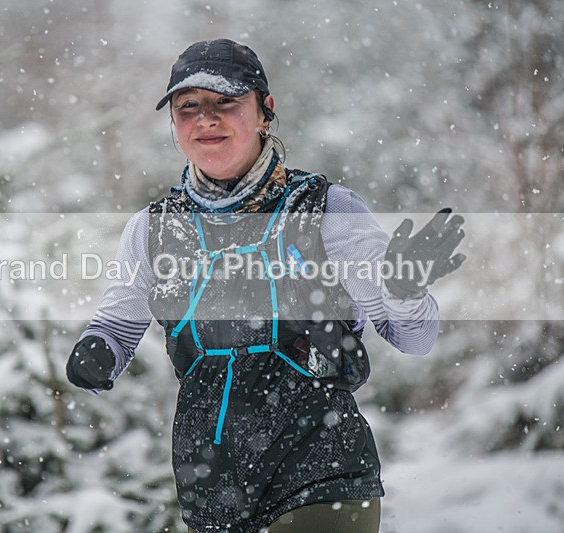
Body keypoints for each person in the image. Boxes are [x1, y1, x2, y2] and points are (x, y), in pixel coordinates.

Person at [66, 38, 465, 533]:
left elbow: (414, 337)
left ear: (264, 112)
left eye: (225, 103)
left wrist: (404, 293)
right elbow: (117, 325)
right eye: (188, 107)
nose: (205, 119)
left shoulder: (326, 211)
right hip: (211, 486)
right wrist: (97, 350)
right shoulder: (153, 229)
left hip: (322, 474)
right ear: (173, 122)